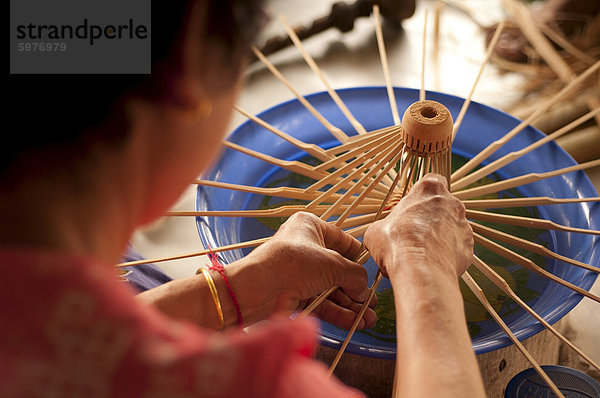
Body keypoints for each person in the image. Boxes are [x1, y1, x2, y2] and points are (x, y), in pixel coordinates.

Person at [1, 0, 485, 396]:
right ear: (190, 66)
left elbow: (63, 339)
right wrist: (425, 266)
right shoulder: (244, 385)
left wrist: (237, 290)